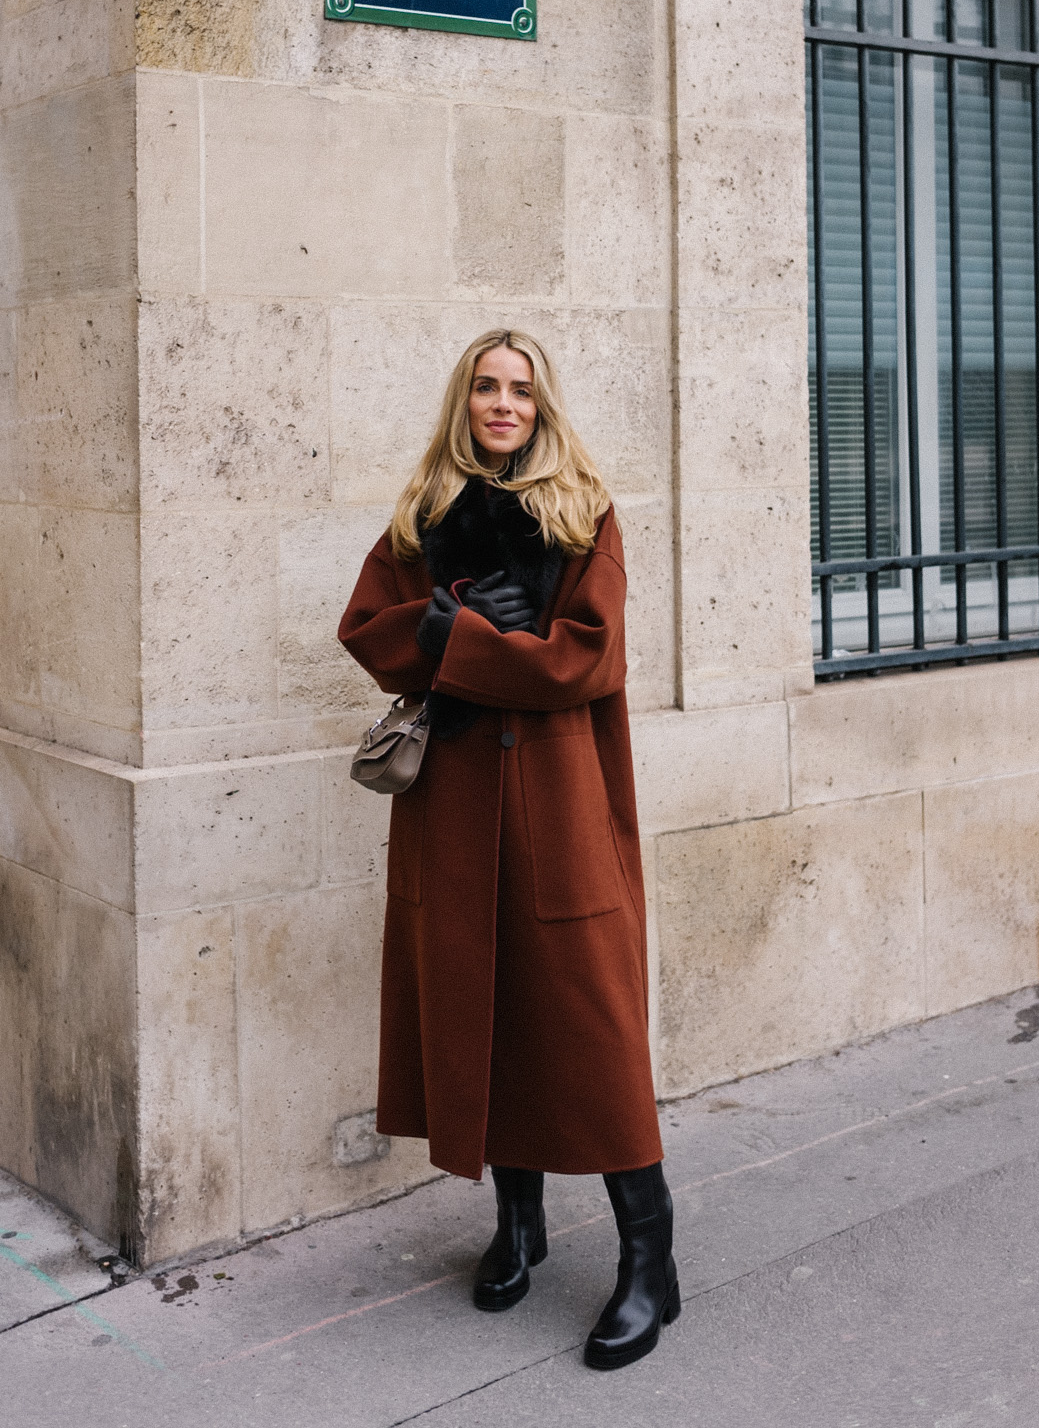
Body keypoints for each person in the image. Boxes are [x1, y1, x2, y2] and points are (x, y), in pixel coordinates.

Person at [338, 328, 679, 1373]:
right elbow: (364, 626)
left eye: (518, 389)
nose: (500, 403)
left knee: (589, 1023)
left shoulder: (585, 513)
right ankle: (519, 1228)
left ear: (542, 404)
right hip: (453, 809)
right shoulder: (423, 513)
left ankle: (648, 1261)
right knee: (482, 1009)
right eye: (484, 386)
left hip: (559, 803)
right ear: (463, 401)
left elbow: (585, 662)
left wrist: (457, 643)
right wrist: (441, 624)